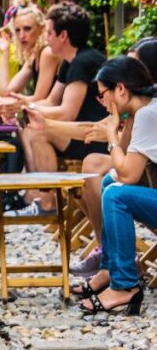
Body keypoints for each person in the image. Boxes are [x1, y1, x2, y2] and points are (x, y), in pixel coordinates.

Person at [23, 38, 157, 277]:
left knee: (107, 181)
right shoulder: (138, 108)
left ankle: (117, 269)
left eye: (131, 66)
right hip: (145, 169)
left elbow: (126, 168)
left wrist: (115, 132)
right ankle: (109, 256)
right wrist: (46, 124)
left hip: (144, 172)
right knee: (97, 171)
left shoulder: (147, 111)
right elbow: (95, 130)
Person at [74, 56, 156, 315]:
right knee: (109, 181)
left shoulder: (149, 115)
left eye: (103, 95)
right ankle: (110, 268)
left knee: (115, 195)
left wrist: (111, 133)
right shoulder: (141, 112)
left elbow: (129, 175)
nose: (103, 102)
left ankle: (125, 285)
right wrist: (121, 121)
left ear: (120, 88)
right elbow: (120, 167)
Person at [10, 2, 109, 216]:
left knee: (38, 134)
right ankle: (38, 196)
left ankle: (48, 204)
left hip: (96, 137)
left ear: (63, 35)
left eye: (49, 32)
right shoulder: (70, 61)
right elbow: (52, 101)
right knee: (31, 130)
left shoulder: (83, 62)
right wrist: (23, 105)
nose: (47, 38)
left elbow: (66, 113)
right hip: (82, 132)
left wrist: (25, 108)